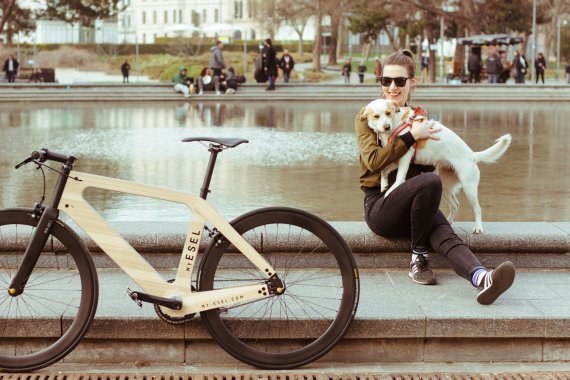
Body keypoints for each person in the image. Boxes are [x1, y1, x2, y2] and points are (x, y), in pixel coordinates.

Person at [354, 49, 515, 305]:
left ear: (411, 83)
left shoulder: (419, 117)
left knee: (443, 229)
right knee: (431, 183)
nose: (392, 87)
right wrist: (410, 137)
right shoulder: (369, 115)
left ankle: (482, 278)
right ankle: (419, 258)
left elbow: (426, 171)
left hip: (416, 206)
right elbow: (373, 162)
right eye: (386, 81)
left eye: (399, 81)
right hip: (381, 206)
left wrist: (431, 148)